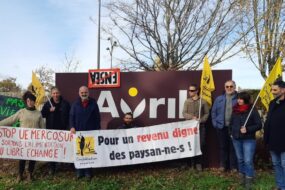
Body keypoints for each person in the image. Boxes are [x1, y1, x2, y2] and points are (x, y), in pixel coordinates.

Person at [0, 91, 45, 182]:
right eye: (29, 100)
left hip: (34, 141)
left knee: (32, 158)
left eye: (32, 100)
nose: (31, 102)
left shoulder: (38, 113)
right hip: (23, 141)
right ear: (27, 101)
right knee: (22, 158)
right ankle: (20, 175)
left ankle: (30, 174)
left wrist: (44, 137)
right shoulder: (21, 112)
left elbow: (43, 128)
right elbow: (11, 120)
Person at [230, 91, 262, 188]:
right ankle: (242, 177)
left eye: (241, 98)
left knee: (247, 160)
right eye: (238, 98)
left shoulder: (252, 110)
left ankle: (249, 179)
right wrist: (231, 133)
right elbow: (231, 123)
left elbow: (259, 125)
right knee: (240, 159)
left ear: (246, 99)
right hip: (236, 138)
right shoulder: (235, 110)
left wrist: (247, 129)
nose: (238, 100)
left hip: (248, 139)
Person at [70, 86, 101, 180]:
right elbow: (71, 116)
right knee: (79, 152)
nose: (84, 94)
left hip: (90, 132)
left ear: (88, 92)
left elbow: (97, 117)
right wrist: (72, 127)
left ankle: (88, 173)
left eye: (85, 92)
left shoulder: (93, 103)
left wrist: (97, 129)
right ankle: (79, 172)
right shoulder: (75, 104)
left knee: (88, 152)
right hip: (78, 133)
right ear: (79, 93)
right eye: (82, 92)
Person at [41, 86, 70, 175]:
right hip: (51, 131)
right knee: (52, 150)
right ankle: (52, 167)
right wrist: (49, 110)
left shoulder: (65, 103)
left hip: (63, 131)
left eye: (57, 93)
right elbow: (42, 114)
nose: (55, 95)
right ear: (51, 94)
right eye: (54, 93)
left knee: (62, 149)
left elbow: (70, 116)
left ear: (59, 93)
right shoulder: (47, 104)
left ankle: (61, 165)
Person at [211, 80, 238, 172]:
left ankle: (233, 167)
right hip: (221, 127)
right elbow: (213, 112)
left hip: (234, 128)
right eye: (227, 86)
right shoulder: (219, 99)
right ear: (224, 88)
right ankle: (223, 166)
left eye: (231, 86)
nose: (229, 88)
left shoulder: (239, 99)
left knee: (233, 147)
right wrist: (215, 124)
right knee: (223, 147)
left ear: (234, 87)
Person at [183, 84, 210, 171]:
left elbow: (207, 113)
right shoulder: (187, 101)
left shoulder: (203, 102)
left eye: (192, 90)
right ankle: (191, 164)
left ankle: (199, 164)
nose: (190, 92)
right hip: (190, 128)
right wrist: (191, 117)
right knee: (190, 145)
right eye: (189, 90)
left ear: (197, 91)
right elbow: (184, 113)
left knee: (201, 144)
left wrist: (201, 120)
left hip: (200, 127)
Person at [264, 80, 285, 190]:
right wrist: (266, 139)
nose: (272, 92)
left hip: (284, 142)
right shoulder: (272, 103)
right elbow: (269, 121)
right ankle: (281, 185)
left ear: (283, 90)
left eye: (275, 90)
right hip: (273, 141)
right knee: (276, 164)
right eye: (272, 89)